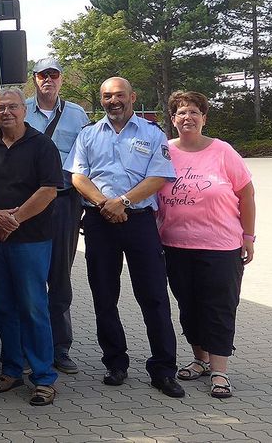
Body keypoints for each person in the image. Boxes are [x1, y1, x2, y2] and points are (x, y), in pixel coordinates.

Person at [65, 77, 184, 398]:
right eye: (106, 96)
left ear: (132, 97)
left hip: (140, 222)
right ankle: (115, 363)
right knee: (104, 297)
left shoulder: (153, 133)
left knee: (155, 298)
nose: (113, 101)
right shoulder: (88, 135)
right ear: (100, 100)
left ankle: (163, 369)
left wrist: (124, 201)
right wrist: (106, 203)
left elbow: (159, 176)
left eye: (118, 95)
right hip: (99, 222)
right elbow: (78, 175)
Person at [156, 91, 256, 399]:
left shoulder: (223, 151)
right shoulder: (164, 152)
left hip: (221, 245)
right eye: (181, 113)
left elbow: (247, 195)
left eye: (194, 113)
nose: (187, 118)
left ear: (204, 118)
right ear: (173, 120)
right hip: (175, 244)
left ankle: (219, 371)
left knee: (219, 307)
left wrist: (248, 237)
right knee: (189, 306)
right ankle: (199, 359)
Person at [0, 87, 62, 406]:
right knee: (4, 307)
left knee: (34, 307)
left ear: (24, 109)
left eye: (11, 106)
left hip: (31, 239)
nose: (5, 112)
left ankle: (43, 377)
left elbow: (49, 190)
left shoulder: (42, 145)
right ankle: (11, 368)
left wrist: (14, 220)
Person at [24, 58, 90, 374]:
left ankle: (61, 348)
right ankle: (33, 346)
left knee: (60, 276)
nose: (48, 79)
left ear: (61, 79)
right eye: (42, 75)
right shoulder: (20, 110)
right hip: (30, 203)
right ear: (34, 79)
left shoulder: (77, 114)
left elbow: (88, 159)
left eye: (53, 74)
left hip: (65, 202)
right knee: (30, 275)